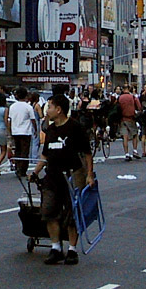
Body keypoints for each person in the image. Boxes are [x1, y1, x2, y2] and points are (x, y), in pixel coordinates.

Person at [29, 94, 94, 266]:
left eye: (49, 106)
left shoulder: (75, 128)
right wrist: (35, 172)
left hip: (73, 175)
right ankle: (56, 248)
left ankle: (72, 250)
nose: (47, 110)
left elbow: (87, 153)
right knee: (49, 211)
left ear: (59, 110)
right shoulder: (50, 130)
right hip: (52, 175)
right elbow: (45, 154)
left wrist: (89, 174)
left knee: (73, 214)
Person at [6, 87, 36, 177]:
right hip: (26, 132)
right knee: (25, 151)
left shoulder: (12, 106)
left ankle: (18, 167)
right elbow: (33, 120)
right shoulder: (28, 107)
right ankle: (23, 170)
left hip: (15, 131)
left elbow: (10, 120)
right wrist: (35, 129)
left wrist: (10, 131)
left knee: (18, 150)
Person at [117, 85, 142, 160]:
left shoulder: (120, 98)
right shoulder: (133, 97)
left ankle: (126, 153)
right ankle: (135, 150)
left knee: (125, 136)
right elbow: (139, 107)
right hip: (131, 118)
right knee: (134, 134)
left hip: (122, 119)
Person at [28, 92, 45, 160]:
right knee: (36, 141)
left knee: (31, 142)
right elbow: (41, 116)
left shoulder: (30, 105)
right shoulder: (37, 105)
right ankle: (34, 157)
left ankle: (30, 156)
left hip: (30, 124)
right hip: (36, 123)